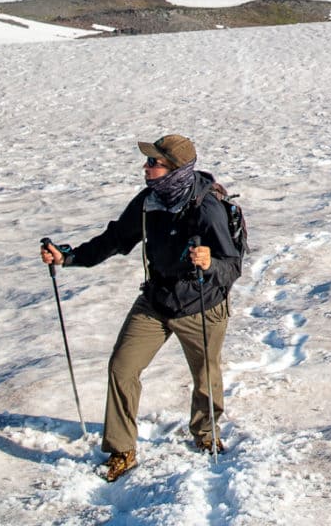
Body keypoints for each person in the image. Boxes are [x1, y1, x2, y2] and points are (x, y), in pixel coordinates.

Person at [41, 133, 241, 483]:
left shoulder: (207, 208)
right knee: (122, 367)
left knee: (206, 377)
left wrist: (210, 263)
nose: (146, 167)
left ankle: (206, 435)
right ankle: (122, 450)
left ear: (175, 169)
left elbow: (232, 265)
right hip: (156, 301)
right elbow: (115, 239)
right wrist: (68, 257)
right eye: (149, 161)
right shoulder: (149, 201)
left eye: (154, 162)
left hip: (201, 306)